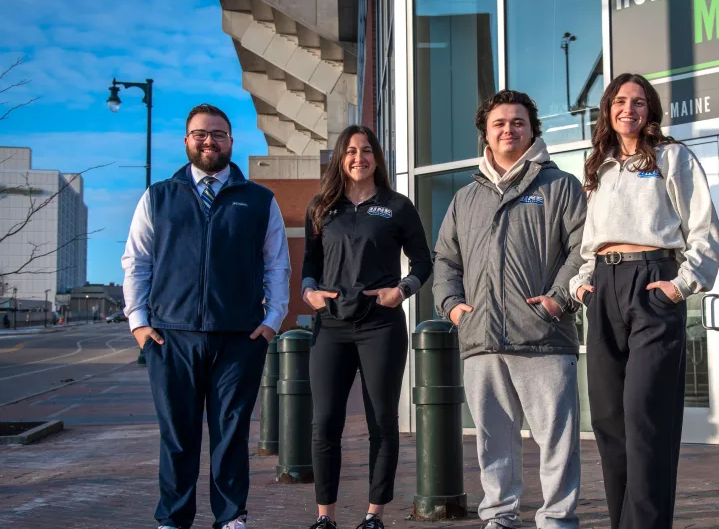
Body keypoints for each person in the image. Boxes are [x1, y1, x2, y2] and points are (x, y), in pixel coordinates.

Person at [121, 104, 291, 529]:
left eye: (217, 133)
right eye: (200, 133)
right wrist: (139, 323)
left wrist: (272, 322)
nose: (209, 140)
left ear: (231, 141)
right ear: (186, 141)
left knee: (230, 435)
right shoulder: (158, 196)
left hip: (239, 337)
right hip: (170, 336)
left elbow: (277, 266)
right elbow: (136, 262)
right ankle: (173, 519)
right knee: (177, 435)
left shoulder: (258, 200)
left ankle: (231, 517)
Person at [569, 73, 719, 529]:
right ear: (608, 110)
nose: (628, 109)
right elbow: (589, 240)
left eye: (638, 102)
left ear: (650, 110)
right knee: (609, 422)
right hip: (603, 287)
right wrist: (581, 282)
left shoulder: (672, 157)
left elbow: (704, 229)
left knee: (645, 420)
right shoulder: (598, 165)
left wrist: (682, 284)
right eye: (620, 101)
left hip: (653, 282)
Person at [433, 90, 587, 529]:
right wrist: (453, 307)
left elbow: (583, 250)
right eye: (499, 122)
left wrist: (559, 298)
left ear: (532, 130)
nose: (508, 129)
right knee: (493, 440)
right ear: (486, 131)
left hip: (543, 336)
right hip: (481, 338)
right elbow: (446, 259)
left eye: (517, 122)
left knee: (556, 440)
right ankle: (500, 516)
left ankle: (557, 519)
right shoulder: (466, 198)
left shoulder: (560, 186)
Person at [301, 125, 432, 529]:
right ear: (341, 158)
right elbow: (310, 263)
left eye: (366, 151)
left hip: (381, 326)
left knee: (381, 420)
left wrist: (402, 290)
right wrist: (309, 292)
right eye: (351, 151)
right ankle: (326, 516)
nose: (359, 158)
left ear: (377, 157)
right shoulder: (322, 207)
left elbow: (424, 263)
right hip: (332, 326)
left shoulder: (396, 206)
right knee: (325, 422)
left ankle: (374, 514)